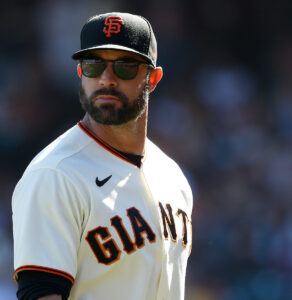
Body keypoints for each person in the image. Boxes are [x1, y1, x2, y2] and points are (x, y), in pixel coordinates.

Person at [12, 12, 193, 300]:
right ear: (81, 73)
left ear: (153, 78)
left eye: (125, 66)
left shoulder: (173, 177)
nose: (107, 79)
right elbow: (40, 292)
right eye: (94, 65)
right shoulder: (55, 175)